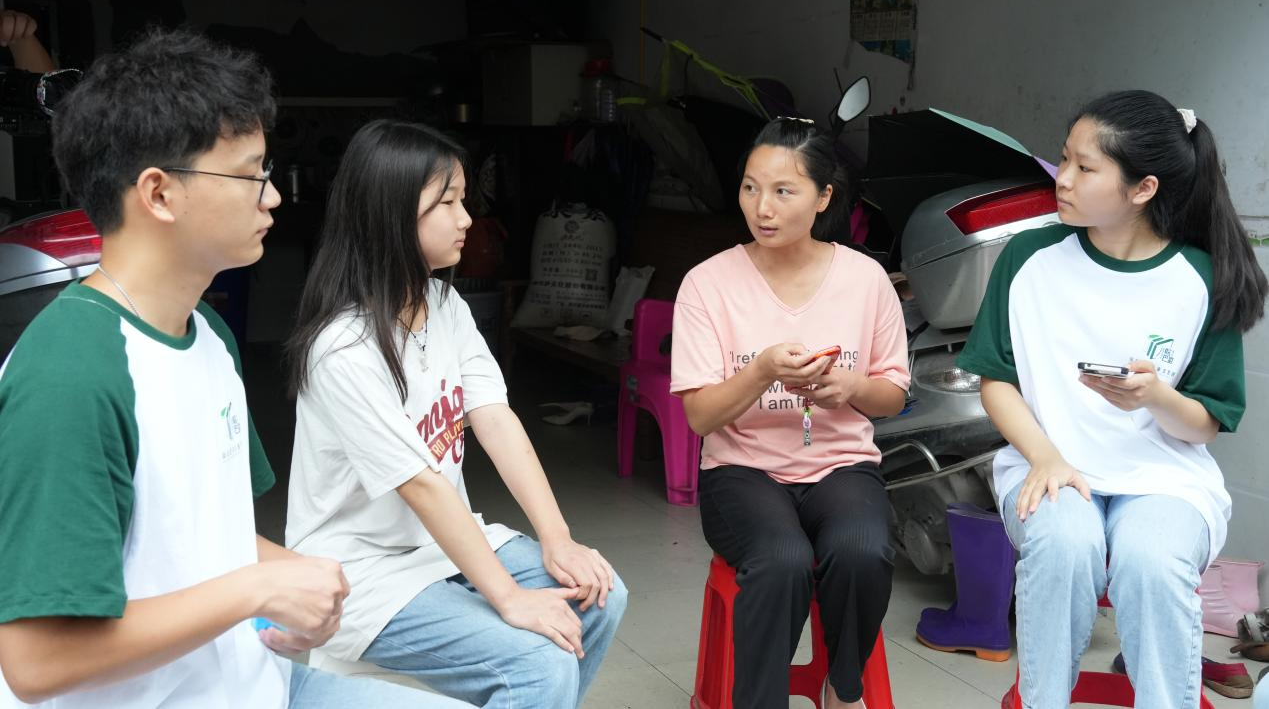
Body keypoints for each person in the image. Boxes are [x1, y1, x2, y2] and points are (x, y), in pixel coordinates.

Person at [0, 27, 472, 708]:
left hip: (253, 681)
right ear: (159, 194)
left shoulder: (209, 334)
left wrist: (298, 575)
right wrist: (257, 588)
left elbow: (201, 534)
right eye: (251, 175)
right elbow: (37, 660)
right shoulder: (70, 374)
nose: (272, 197)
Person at [285, 119, 627, 709]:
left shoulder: (444, 303)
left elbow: (495, 418)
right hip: (361, 571)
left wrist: (559, 540)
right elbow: (420, 485)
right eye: (447, 203)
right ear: (391, 216)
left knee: (600, 593)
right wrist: (509, 598)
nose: (467, 219)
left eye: (463, 199)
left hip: (440, 544)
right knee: (537, 664)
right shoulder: (342, 348)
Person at [958, 91, 1268, 709]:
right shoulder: (1028, 258)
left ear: (1143, 188)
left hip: (1165, 479)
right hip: (1048, 464)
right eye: (1064, 159)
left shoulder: (1202, 278)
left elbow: (1205, 423)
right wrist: (1046, 457)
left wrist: (1154, 397)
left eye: (1085, 167)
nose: (1062, 179)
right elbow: (996, 380)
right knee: (1064, 545)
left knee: (1152, 561)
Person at [670, 118, 911, 709]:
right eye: (751, 188)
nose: (763, 208)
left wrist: (850, 385)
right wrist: (762, 372)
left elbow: (893, 395)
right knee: (782, 561)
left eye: (784, 191)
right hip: (741, 472)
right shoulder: (707, 285)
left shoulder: (866, 279)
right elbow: (700, 417)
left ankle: (843, 688)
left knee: (862, 550)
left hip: (841, 465)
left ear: (823, 197)